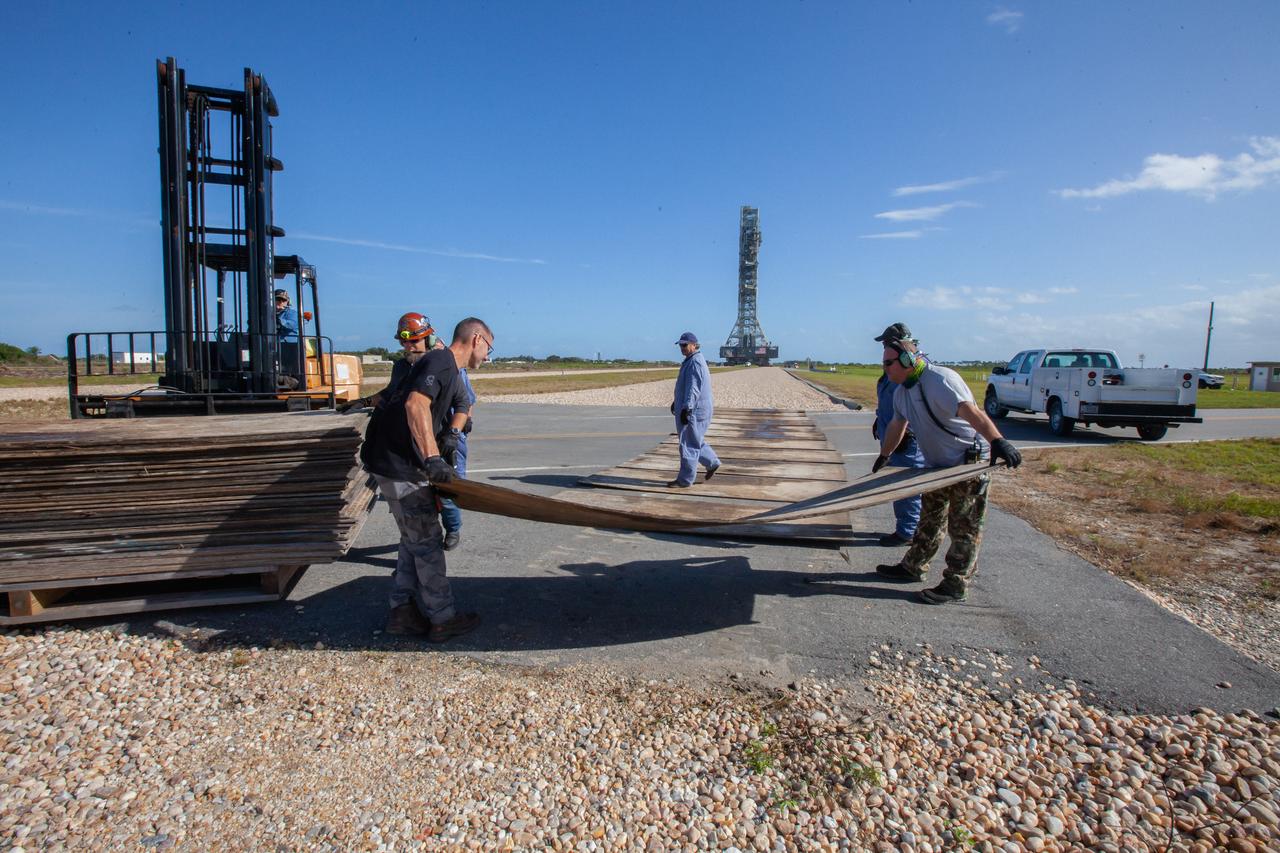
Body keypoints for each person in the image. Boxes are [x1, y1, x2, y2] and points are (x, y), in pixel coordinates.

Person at [358, 317, 494, 641]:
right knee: (429, 544)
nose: (488, 356)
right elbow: (415, 404)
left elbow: (463, 403)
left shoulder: (441, 364)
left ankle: (402, 610)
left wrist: (451, 433)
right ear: (476, 339)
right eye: (489, 347)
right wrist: (432, 457)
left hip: (388, 463)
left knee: (412, 539)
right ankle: (443, 618)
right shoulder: (441, 361)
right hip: (401, 466)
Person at [872, 335, 1022, 605]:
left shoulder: (941, 380)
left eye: (889, 363)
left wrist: (997, 441)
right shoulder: (902, 392)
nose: (886, 369)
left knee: (964, 527)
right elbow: (897, 425)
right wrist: (885, 454)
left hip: (967, 464)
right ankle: (913, 567)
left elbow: (971, 411)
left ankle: (956, 584)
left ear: (907, 360)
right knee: (930, 520)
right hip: (938, 466)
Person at [871, 323, 927, 547]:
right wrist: (879, 419)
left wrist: (906, 433)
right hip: (892, 436)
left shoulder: (912, 369)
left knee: (907, 489)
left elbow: (914, 407)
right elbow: (890, 402)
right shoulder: (892, 369)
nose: (884, 346)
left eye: (888, 342)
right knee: (898, 486)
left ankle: (907, 533)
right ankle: (908, 527)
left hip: (906, 441)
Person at [339, 312, 438, 412]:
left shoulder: (439, 366)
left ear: (428, 341)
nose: (408, 346)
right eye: (404, 341)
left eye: (414, 341)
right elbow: (388, 394)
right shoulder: (401, 367)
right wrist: (364, 402)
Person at [668, 332, 721, 488]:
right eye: (681, 345)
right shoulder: (691, 360)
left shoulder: (695, 362)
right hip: (692, 406)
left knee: (687, 443)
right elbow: (687, 387)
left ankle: (685, 480)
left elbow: (694, 388)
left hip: (694, 409)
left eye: (685, 345)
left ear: (694, 344)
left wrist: (687, 408)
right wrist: (676, 402)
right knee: (694, 439)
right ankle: (712, 463)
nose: (682, 348)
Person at [438, 357, 477, 551]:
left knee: (450, 488)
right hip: (423, 436)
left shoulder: (455, 370)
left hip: (451, 436)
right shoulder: (408, 368)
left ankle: (452, 529)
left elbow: (467, 399)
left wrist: (466, 420)